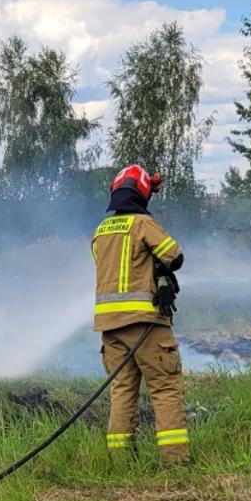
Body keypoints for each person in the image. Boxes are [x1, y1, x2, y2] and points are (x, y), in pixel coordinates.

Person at [91, 164, 189, 464]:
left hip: (110, 328)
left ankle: (121, 463)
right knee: (164, 388)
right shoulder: (143, 224)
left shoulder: (100, 232)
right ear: (142, 195)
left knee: (122, 391)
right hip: (146, 324)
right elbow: (175, 257)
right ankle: (176, 463)